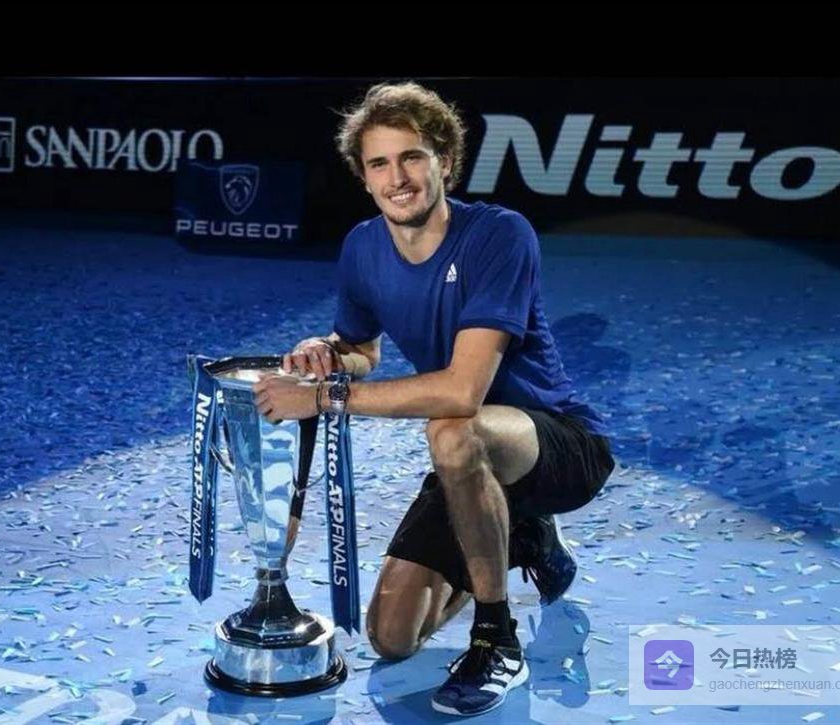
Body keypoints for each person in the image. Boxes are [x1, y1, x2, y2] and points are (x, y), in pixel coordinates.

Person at [252, 81, 614, 717]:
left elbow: (461, 390)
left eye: (412, 157)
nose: (397, 178)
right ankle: (525, 537)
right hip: (467, 462)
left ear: (445, 161)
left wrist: (327, 398)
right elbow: (361, 348)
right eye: (379, 163)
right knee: (392, 636)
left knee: (452, 429)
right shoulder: (363, 247)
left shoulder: (500, 234)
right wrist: (326, 352)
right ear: (364, 177)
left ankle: (496, 639)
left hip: (556, 444)